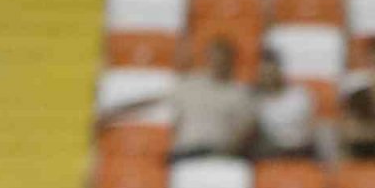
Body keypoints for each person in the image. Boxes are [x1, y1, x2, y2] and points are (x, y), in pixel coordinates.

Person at [100, 37, 257, 161]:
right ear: (207, 59)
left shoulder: (241, 94)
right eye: (214, 58)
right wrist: (114, 113)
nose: (218, 63)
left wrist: (229, 152)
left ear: (232, 61)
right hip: (185, 153)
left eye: (223, 58)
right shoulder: (190, 84)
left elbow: (247, 131)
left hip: (218, 156)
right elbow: (152, 101)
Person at [253, 49, 318, 159]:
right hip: (273, 152)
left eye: (272, 73)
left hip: (303, 149)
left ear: (280, 72)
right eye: (265, 74)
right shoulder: (257, 103)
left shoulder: (301, 95)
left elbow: (309, 127)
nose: (269, 78)